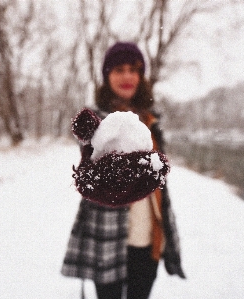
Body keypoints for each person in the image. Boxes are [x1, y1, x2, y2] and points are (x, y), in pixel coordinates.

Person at [61, 42, 185, 299]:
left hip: (149, 235)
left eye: (133, 69)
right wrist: (91, 167)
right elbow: (88, 166)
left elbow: (161, 186)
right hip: (105, 237)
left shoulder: (151, 120)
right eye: (119, 69)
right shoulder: (96, 120)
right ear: (107, 76)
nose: (127, 76)